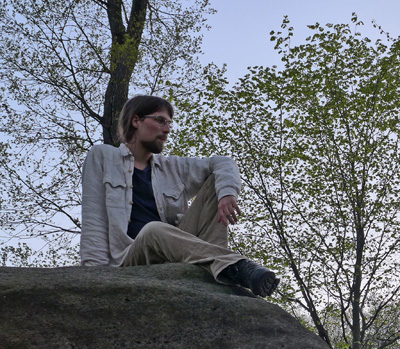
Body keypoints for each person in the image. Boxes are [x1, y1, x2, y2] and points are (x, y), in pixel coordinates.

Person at [80, 95, 279, 297]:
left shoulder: (172, 166)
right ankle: (235, 266)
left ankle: (217, 274)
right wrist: (94, 278)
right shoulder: (103, 156)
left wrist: (227, 193)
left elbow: (223, 162)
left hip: (175, 253)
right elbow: (94, 218)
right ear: (136, 121)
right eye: (160, 120)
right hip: (128, 260)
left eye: (169, 123)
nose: (167, 129)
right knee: (153, 230)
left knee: (215, 181)